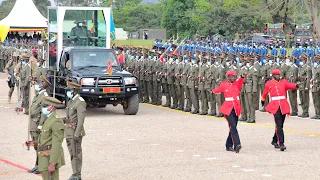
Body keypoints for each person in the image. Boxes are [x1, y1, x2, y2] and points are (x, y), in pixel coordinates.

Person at [261, 69, 299, 151]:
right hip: (275, 106)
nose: (278, 76)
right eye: (276, 75)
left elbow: (290, 85)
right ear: (273, 76)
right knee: (278, 124)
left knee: (280, 124)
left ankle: (274, 140)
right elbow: (265, 93)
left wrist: (296, 85)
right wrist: (263, 100)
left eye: (279, 75)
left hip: (283, 105)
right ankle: (281, 143)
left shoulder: (283, 82)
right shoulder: (269, 83)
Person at [212, 70, 245, 153]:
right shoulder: (224, 84)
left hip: (236, 107)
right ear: (228, 77)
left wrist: (242, 77)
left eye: (234, 76)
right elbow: (218, 89)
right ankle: (237, 144)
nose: (233, 78)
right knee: (233, 126)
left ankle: (228, 145)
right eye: (231, 76)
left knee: (233, 127)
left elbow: (240, 81)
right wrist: (213, 90)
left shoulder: (237, 84)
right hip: (227, 108)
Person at [38, 96, 65, 180]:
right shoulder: (49, 118)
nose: (43, 108)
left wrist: (52, 163)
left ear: (52, 107)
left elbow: (57, 143)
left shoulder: (56, 121)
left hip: (49, 157)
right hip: (44, 155)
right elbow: (46, 138)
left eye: (45, 106)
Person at [27, 75, 50, 174]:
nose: (35, 85)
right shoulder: (38, 95)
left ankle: (41, 166)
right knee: (36, 146)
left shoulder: (44, 96)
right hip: (33, 124)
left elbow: (44, 113)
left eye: (36, 83)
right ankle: (38, 165)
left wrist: (41, 125)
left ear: (41, 85)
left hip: (37, 125)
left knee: (39, 146)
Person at [64, 82, 87, 180]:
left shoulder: (80, 102)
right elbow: (69, 117)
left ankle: (77, 174)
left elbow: (81, 120)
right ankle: (74, 173)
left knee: (76, 153)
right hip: (69, 131)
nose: (68, 92)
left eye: (69, 90)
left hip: (75, 132)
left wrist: (77, 134)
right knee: (72, 153)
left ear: (74, 91)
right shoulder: (71, 101)